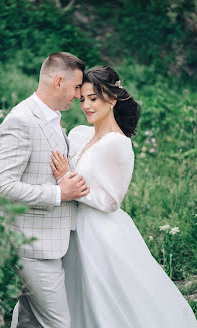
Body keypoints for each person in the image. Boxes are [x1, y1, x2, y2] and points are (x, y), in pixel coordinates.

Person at [51, 65, 197, 327]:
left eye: (93, 98)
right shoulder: (80, 134)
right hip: (70, 228)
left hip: (100, 233)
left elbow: (111, 201)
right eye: (82, 99)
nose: (86, 106)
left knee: (107, 301)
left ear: (112, 99)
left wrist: (65, 182)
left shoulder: (118, 144)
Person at [0, 52, 90, 328]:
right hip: (29, 244)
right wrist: (58, 194)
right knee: (59, 324)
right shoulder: (22, 120)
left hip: (46, 240)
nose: (79, 95)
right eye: (76, 87)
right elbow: (1, 188)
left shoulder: (51, 117)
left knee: (30, 323)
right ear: (58, 81)